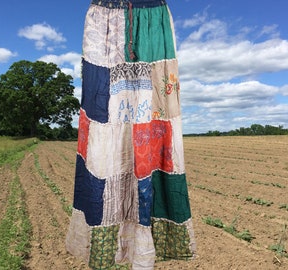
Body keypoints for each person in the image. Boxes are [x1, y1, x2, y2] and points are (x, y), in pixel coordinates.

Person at [66, 0, 196, 269]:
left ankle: (145, 247)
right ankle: (108, 243)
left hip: (154, 23)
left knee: (157, 124)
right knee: (101, 140)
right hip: (103, 23)